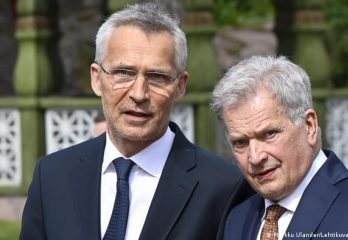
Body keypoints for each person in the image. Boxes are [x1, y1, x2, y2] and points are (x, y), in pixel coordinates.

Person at [19, 3, 251, 240]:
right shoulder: (52, 176)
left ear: (180, 86)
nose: (139, 94)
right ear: (96, 79)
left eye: (157, 76)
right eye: (124, 73)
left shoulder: (223, 187)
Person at [210, 55, 348, 240]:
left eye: (269, 134)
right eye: (240, 142)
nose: (255, 157)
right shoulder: (238, 219)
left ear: (309, 126)